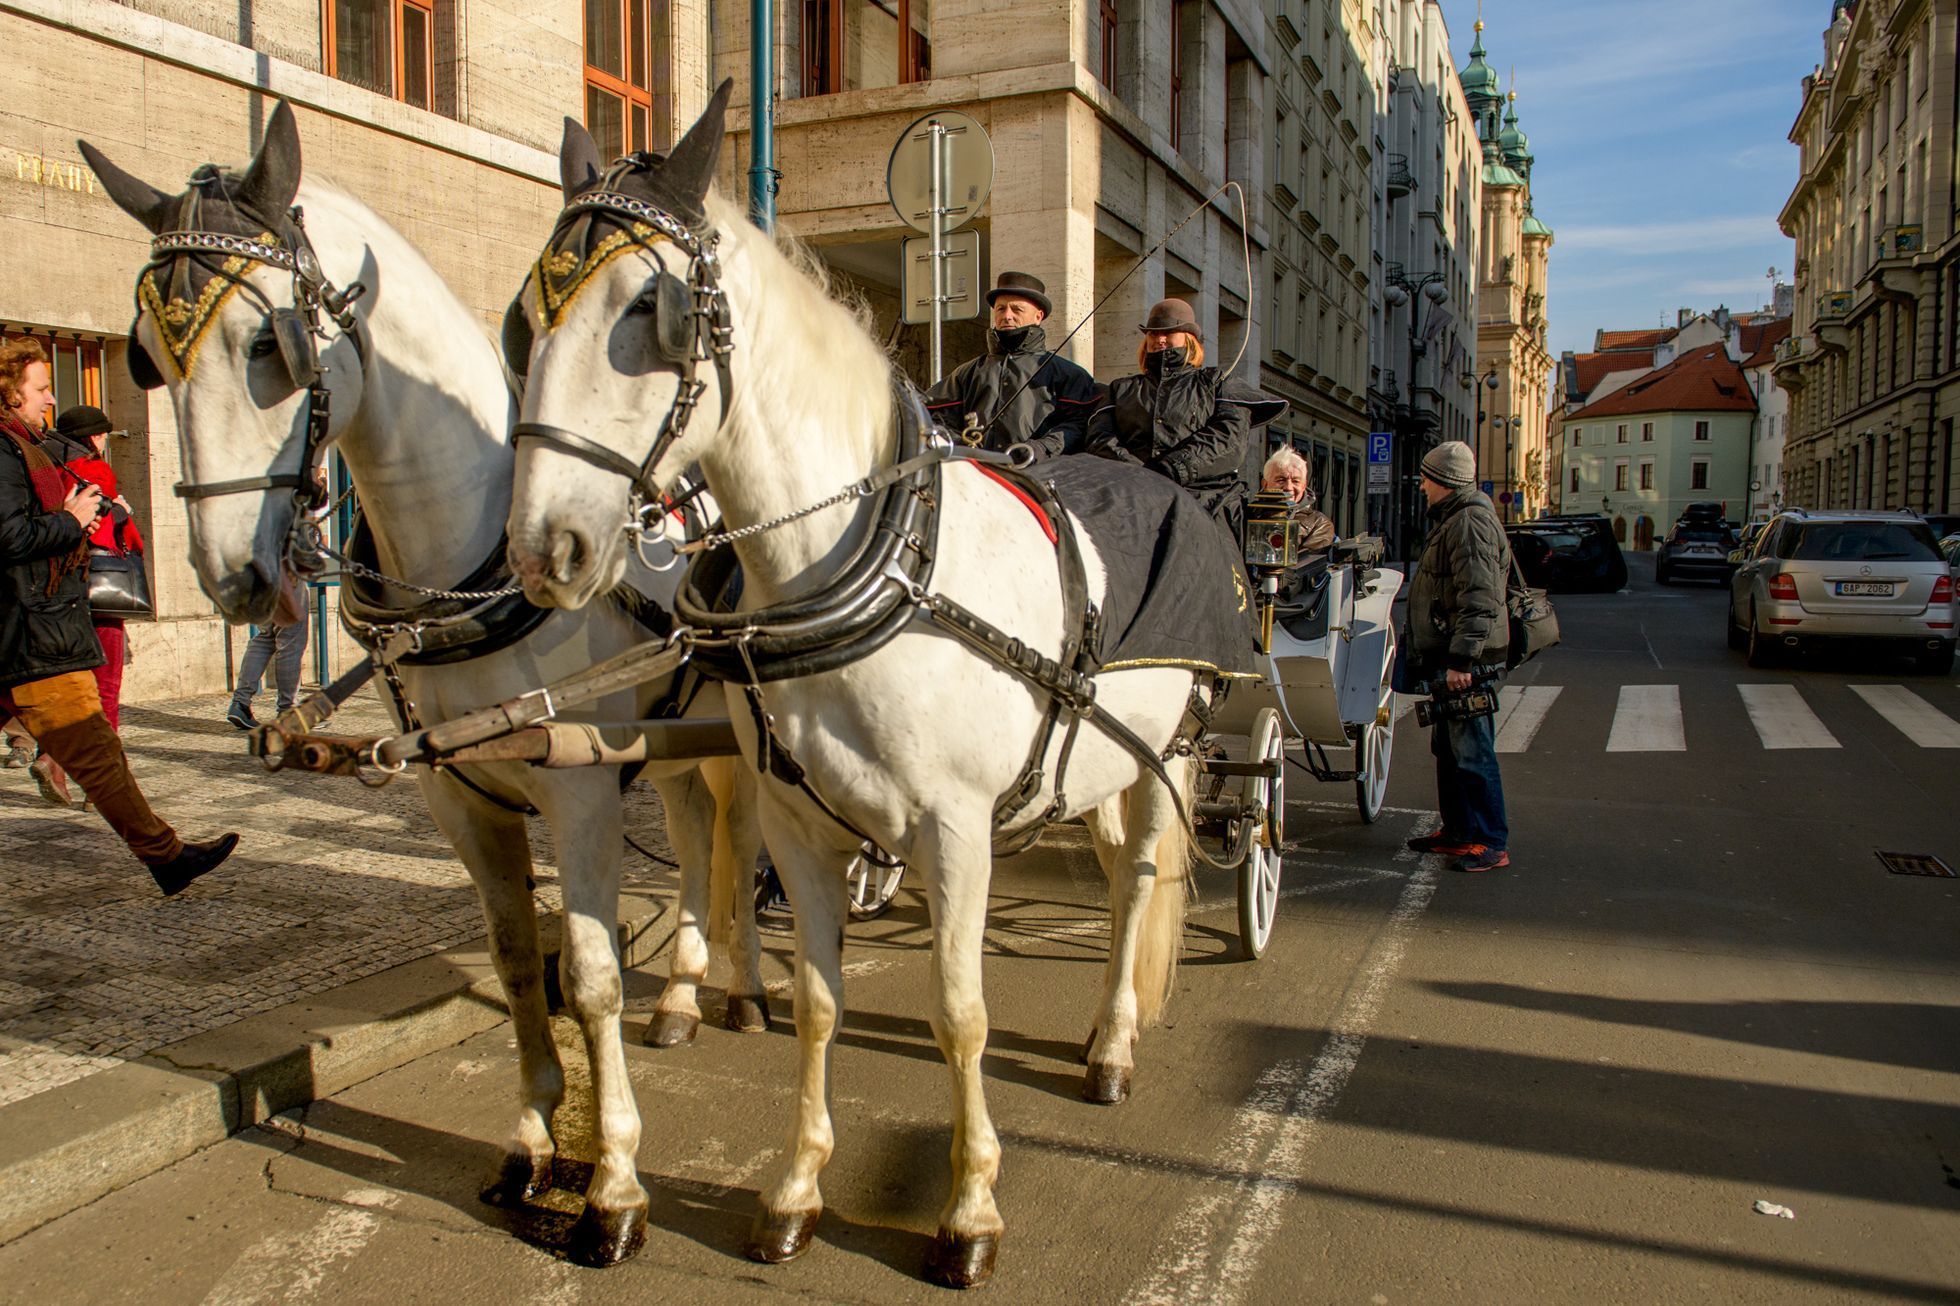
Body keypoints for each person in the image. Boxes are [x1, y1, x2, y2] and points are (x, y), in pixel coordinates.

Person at [0, 337, 238, 893]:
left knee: (98, 751)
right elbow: (8, 535)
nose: (50, 398)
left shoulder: (28, 446)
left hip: (29, 627)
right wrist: (71, 518)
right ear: (11, 393)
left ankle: (166, 856)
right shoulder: (4, 450)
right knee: (98, 752)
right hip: (32, 637)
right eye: (40, 388)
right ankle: (166, 857)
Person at [1402, 440, 1511, 874]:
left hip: (1468, 661)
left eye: (1427, 478)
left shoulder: (1469, 522)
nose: (1422, 485)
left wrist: (1462, 661)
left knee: (1472, 752)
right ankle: (1459, 832)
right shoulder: (1455, 518)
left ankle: (1489, 840)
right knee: (1449, 748)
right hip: (1451, 656)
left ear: (1444, 481)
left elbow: (1479, 598)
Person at [1085, 298, 1254, 540]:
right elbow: (1099, 437)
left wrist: (1172, 468)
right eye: (1153, 333)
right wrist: (1138, 472)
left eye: (1168, 332)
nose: (1159, 339)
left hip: (1203, 502)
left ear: (1189, 338)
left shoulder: (1217, 384)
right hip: (1130, 497)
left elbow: (1229, 439)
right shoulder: (1121, 388)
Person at [924, 271, 1100, 461]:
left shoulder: (1068, 374)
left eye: (1017, 310)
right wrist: (961, 444)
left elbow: (1081, 423)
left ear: (1038, 316)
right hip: (976, 474)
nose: (1007, 316)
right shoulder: (967, 372)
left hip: (1041, 478)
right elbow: (933, 416)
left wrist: (1040, 448)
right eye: (1001, 309)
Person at [55, 404, 144, 732]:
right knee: (105, 683)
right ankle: (108, 760)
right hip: (99, 583)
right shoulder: (94, 469)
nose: (106, 439)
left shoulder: (49, 466)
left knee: (63, 684)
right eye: (104, 433)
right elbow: (102, 528)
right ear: (94, 436)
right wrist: (120, 511)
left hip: (56, 587)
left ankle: (51, 755)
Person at [1260, 446, 1337, 555]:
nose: (1288, 487)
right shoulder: (1247, 514)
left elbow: (1304, 565)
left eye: (1295, 481)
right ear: (1265, 484)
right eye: (1281, 480)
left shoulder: (1318, 523)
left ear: (1304, 485)